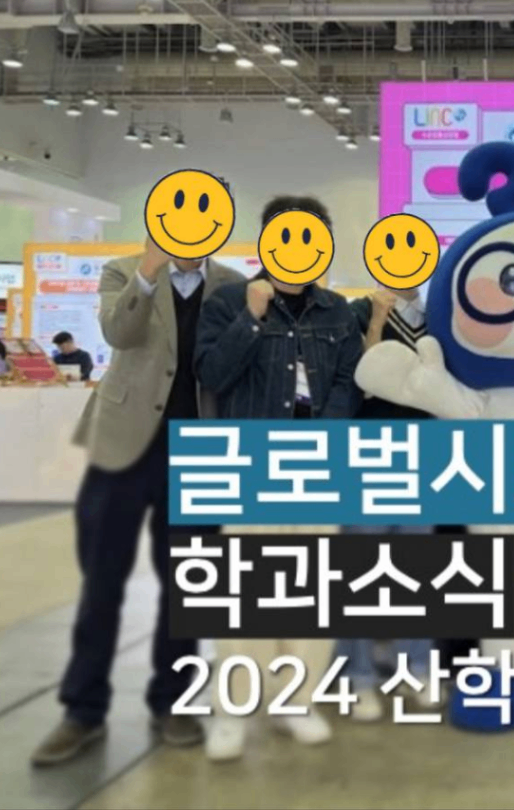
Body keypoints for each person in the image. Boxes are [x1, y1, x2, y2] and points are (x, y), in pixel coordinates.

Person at [31, 236, 244, 767]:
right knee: (101, 578)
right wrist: (148, 273)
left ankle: (173, 702)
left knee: (188, 585)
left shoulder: (234, 286)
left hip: (200, 451)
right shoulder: (122, 271)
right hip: (122, 445)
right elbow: (117, 332)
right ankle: (82, 710)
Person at [194, 195, 363, 761]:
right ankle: (233, 709)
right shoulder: (228, 301)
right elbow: (212, 373)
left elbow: (349, 382)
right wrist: (252, 317)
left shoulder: (338, 311)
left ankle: (297, 701)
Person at [337, 285, 438, 722]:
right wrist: (377, 321)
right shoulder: (358, 311)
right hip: (366, 455)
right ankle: (358, 675)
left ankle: (416, 666)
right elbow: (359, 381)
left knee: (420, 570)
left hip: (424, 454)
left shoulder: (438, 318)